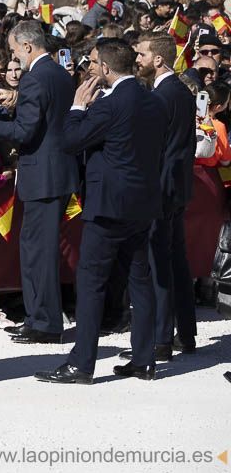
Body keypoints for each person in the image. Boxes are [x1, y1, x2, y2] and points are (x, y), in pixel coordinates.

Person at [36, 39, 166, 384]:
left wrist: (78, 107)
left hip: (109, 206)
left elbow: (69, 140)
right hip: (143, 205)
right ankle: (144, 359)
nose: (92, 69)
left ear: (106, 68)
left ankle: (82, 364)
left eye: (95, 64)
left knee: (91, 282)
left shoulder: (110, 105)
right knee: (140, 281)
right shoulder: (153, 100)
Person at [0, 20, 79, 344]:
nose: (14, 56)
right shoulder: (61, 74)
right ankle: (39, 317)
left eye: (13, 50)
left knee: (39, 250)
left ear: (26, 46)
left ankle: (45, 323)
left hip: (43, 175)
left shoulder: (35, 78)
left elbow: (24, 131)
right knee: (37, 248)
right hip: (55, 172)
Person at [133, 34, 197, 359]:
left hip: (162, 188)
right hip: (178, 187)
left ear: (158, 59)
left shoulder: (162, 95)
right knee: (176, 259)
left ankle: (161, 339)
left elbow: (155, 146)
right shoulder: (182, 91)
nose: (138, 59)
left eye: (142, 54)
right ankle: (186, 333)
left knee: (159, 263)